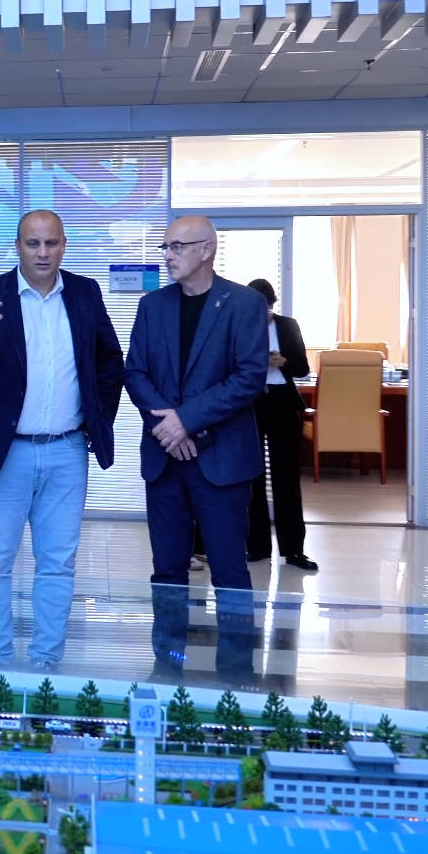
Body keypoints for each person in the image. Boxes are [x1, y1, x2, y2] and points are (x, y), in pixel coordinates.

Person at [0, 210, 124, 671]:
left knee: (58, 563)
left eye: (51, 243)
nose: (42, 253)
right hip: (3, 453)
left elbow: (109, 362)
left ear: (64, 245)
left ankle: (45, 663)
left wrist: (95, 420)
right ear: (17, 246)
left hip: (67, 450)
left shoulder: (85, 293)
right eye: (32, 243)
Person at [123, 216, 266, 678]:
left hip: (221, 461)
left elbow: (248, 377)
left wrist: (187, 422)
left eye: (178, 247)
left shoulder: (244, 303)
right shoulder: (152, 306)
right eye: (166, 247)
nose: (168, 255)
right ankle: (168, 668)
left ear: (207, 249)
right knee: (167, 571)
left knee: (229, 572)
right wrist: (168, 427)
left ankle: (236, 677)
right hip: (164, 459)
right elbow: (135, 373)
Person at [244, 278, 316, 571]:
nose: (263, 315)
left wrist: (283, 361)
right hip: (250, 405)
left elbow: (303, 368)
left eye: (266, 310)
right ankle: (257, 546)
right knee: (253, 477)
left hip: (283, 404)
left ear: (272, 306)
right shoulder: (240, 325)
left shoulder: (288, 326)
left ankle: (294, 550)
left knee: (286, 477)